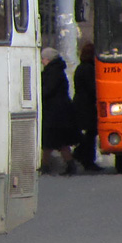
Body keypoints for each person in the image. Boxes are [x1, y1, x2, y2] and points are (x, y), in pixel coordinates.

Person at [40, 46, 78, 175]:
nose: (41, 61)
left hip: (55, 112)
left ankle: (48, 166)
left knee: (51, 141)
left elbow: (47, 90)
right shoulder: (56, 70)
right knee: (57, 142)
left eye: (43, 58)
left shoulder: (52, 72)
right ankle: (68, 164)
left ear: (48, 59)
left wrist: (39, 94)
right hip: (59, 111)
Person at [72, 41, 102, 171]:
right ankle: (86, 159)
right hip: (87, 106)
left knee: (89, 134)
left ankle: (81, 156)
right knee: (90, 134)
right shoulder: (88, 69)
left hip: (81, 104)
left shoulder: (81, 67)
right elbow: (92, 88)